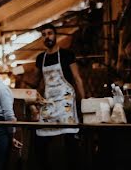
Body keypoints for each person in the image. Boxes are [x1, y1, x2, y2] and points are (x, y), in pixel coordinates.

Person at [33, 23, 85, 170]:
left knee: (70, 138)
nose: (47, 37)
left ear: (55, 35)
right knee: (41, 137)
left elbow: (77, 78)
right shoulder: (40, 58)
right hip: (49, 101)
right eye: (44, 35)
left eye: (49, 33)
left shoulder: (67, 54)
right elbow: (36, 82)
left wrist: (84, 101)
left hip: (65, 100)